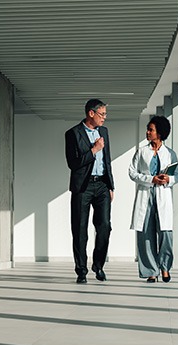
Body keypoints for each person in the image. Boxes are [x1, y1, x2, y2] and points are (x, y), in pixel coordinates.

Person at [64, 99, 114, 284]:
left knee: (104, 227)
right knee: (79, 229)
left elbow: (107, 161)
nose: (104, 118)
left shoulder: (104, 132)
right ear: (91, 113)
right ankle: (81, 271)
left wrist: (111, 186)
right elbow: (73, 163)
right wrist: (94, 150)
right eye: (102, 114)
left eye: (105, 114)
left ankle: (98, 265)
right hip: (82, 187)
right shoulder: (73, 134)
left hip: (102, 185)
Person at [128, 116, 178, 283]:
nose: (147, 132)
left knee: (165, 234)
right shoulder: (141, 152)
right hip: (146, 195)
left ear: (160, 133)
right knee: (145, 235)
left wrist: (167, 179)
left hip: (163, 196)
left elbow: (177, 175)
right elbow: (132, 172)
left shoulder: (170, 153)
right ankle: (151, 271)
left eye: (151, 130)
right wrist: (151, 179)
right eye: (148, 129)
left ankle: (165, 267)